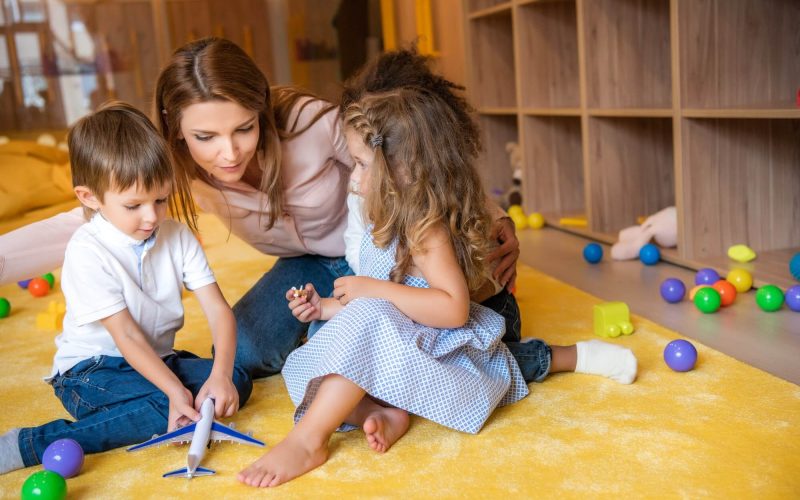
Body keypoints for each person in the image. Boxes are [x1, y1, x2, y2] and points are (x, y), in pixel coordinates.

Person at [0, 38, 522, 380]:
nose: (228, 154)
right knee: (243, 357)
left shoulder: (313, 125)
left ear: (261, 112)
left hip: (385, 258)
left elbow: (412, 163)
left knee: (351, 351)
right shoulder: (170, 167)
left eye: (244, 128)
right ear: (177, 129)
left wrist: (494, 217)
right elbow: (87, 222)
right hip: (306, 267)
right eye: (205, 136)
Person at [239, 86, 638, 488]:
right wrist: (323, 308)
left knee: (503, 370)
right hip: (402, 334)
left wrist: (371, 291)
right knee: (320, 355)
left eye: (360, 164)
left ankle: (309, 439)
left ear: (404, 170)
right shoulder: (383, 215)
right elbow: (376, 313)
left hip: (442, 340)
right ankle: (387, 413)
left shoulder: (425, 229)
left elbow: (452, 310)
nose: (353, 176)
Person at [0, 102, 251, 475]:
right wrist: (175, 393)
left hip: (153, 360)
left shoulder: (177, 236)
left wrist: (220, 373)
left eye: (160, 199)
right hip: (89, 373)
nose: (151, 217)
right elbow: (127, 336)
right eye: (133, 205)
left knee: (236, 380)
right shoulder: (87, 250)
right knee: (158, 406)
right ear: (90, 198)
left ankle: (166, 395)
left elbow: (217, 309)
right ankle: (29, 443)